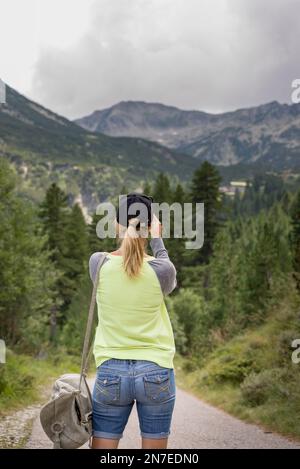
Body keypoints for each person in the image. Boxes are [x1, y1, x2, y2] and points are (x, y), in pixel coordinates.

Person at [88, 193, 177, 449]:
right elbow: (166, 268)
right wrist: (157, 238)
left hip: (110, 371)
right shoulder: (161, 270)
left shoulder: (98, 262)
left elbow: (126, 261)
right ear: (151, 226)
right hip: (156, 369)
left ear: (116, 224)